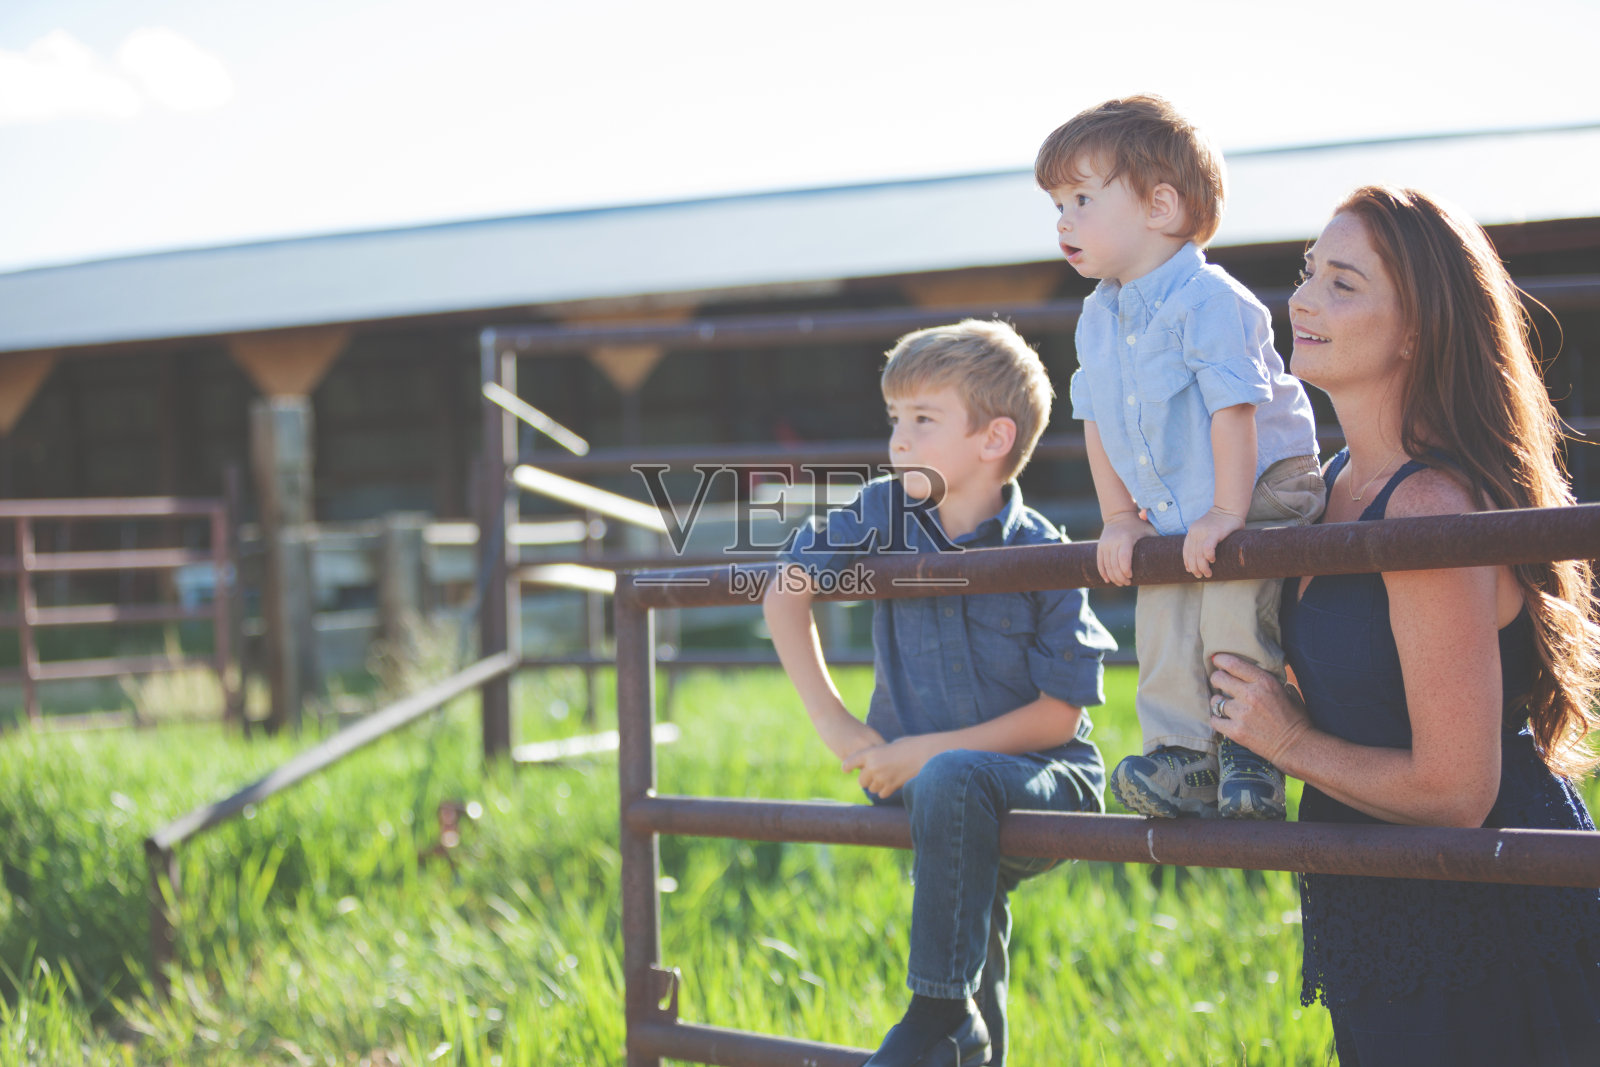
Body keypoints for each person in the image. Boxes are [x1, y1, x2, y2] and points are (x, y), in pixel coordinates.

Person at [1208, 185, 1600, 1065]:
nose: (1302, 299)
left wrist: (1284, 739)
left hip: (1489, 918)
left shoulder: (1424, 504)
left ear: (1417, 329)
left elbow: (1457, 790)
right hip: (1380, 906)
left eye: (1342, 284)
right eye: (1310, 272)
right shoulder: (1332, 485)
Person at [763, 319, 1114, 1067]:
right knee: (967, 904)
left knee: (954, 787)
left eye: (924, 420)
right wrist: (838, 727)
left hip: (1045, 780)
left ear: (993, 439)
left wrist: (925, 751)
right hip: (929, 787)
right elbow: (785, 588)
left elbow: (1062, 712)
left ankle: (933, 1012)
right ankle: (958, 1032)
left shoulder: (1046, 553)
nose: (900, 439)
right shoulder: (882, 518)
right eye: (895, 419)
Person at [1035, 94, 1324, 820]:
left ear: (1160, 205)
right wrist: (1119, 517)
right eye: (1055, 204)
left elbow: (1234, 410)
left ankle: (1251, 749)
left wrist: (1228, 511)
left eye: (1080, 198)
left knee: (1228, 597)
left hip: (1258, 480)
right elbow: (1095, 415)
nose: (1062, 221)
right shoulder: (1097, 315)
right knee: (1160, 602)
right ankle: (1182, 754)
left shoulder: (1209, 298)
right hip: (1180, 501)